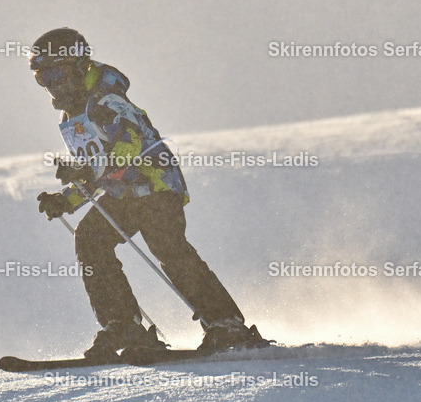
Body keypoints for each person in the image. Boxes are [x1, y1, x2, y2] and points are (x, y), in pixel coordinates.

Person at [30, 27, 267, 363]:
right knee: (90, 239)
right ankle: (123, 324)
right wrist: (65, 200)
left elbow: (129, 145)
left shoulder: (105, 99)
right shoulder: (72, 115)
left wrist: (85, 173)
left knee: (167, 246)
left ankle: (226, 323)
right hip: (124, 193)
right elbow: (97, 168)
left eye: (54, 73)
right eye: (41, 78)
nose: (51, 84)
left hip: (154, 185)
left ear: (77, 66)